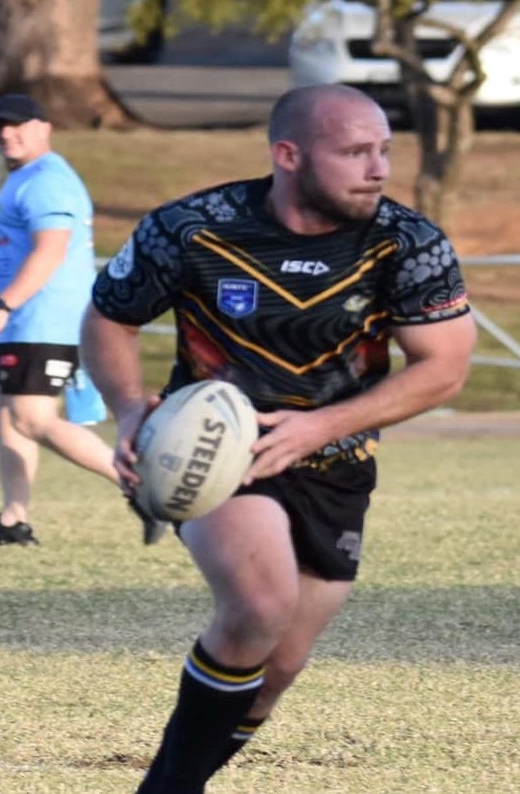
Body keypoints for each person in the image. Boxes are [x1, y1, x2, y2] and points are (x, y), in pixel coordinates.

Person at [80, 84, 477, 792]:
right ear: (288, 154)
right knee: (260, 604)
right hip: (216, 456)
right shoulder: (192, 228)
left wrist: (321, 426)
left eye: (383, 149)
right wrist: (130, 409)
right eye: (355, 152)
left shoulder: (406, 243)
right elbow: (110, 316)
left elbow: (443, 369)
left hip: (337, 463)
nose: (378, 167)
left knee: (278, 664)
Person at [0, 93, 121, 547]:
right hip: (27, 321)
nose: (6, 133)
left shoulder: (47, 181)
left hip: (47, 319)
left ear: (44, 127)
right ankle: (13, 520)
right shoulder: (26, 178)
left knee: (29, 416)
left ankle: (139, 484)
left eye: (17, 124)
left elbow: (51, 251)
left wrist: (0, 306)